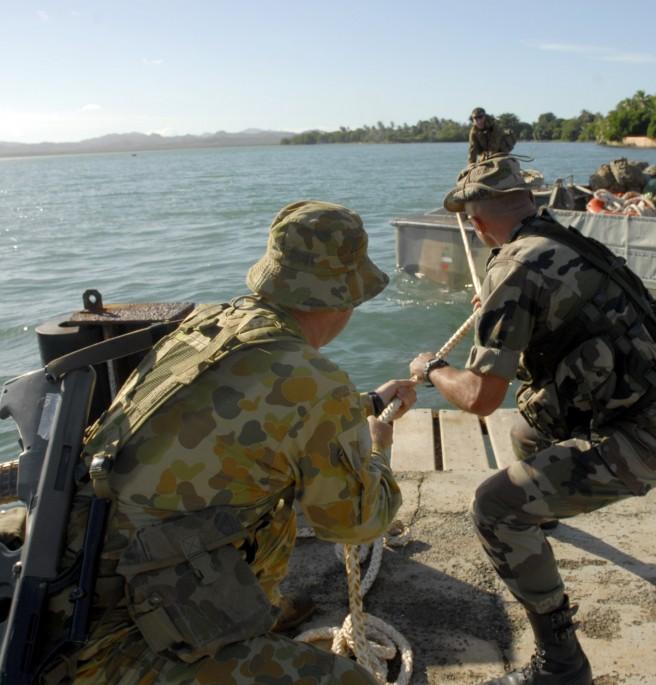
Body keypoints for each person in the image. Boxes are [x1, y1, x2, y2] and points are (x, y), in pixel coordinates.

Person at [60, 201, 417, 684]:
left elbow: (248, 417)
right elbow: (355, 522)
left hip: (78, 593)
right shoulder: (314, 383)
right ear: (345, 298)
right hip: (121, 642)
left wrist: (367, 403)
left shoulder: (207, 327)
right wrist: (377, 452)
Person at [409, 157, 656, 685]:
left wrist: (432, 370)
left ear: (476, 223)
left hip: (652, 437)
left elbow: (478, 398)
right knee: (527, 430)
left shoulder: (514, 267)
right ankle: (541, 522)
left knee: (494, 507)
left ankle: (562, 662)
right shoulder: (561, 240)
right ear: (527, 201)